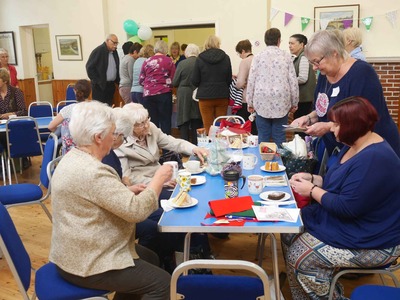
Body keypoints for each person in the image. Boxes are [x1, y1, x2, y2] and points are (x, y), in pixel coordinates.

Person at [49, 101, 172, 299]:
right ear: (99, 137)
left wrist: (129, 190)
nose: (117, 138)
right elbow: (137, 212)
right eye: (113, 133)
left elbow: (98, 197)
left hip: (75, 251)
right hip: (86, 263)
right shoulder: (94, 171)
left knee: (150, 257)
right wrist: (159, 178)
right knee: (163, 283)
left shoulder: (72, 158)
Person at [284, 96, 400, 300]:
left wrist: (311, 190)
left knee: (301, 256)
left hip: (375, 238)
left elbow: (347, 206)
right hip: (355, 223)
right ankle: (306, 290)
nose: (332, 129)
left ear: (352, 126)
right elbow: (339, 182)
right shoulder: (355, 144)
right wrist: (313, 178)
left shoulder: (376, 158)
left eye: (337, 124)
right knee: (288, 231)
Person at [291, 30, 400, 158]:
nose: (314, 68)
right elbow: (322, 108)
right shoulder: (324, 75)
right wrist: (308, 118)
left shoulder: (362, 73)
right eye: (311, 63)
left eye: (317, 62)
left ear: (334, 53)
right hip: (340, 149)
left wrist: (327, 127)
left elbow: (362, 120)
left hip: (369, 153)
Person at [115, 103, 207, 189]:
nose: (146, 125)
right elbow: (127, 178)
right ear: (130, 126)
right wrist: (159, 182)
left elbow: (173, 143)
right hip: (145, 186)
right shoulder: (120, 144)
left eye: (147, 120)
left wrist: (195, 149)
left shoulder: (151, 127)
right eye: (141, 124)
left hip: (163, 176)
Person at [246, 28, 299, 146]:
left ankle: (263, 162)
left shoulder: (258, 57)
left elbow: (251, 81)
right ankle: (279, 163)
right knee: (280, 137)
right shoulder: (286, 57)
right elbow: (293, 81)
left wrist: (250, 102)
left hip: (261, 101)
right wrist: (294, 102)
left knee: (263, 137)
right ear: (279, 40)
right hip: (281, 101)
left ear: (265, 40)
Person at [191, 35, 232, 135]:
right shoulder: (226, 57)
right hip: (222, 95)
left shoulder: (200, 58)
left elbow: (195, 80)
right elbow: (229, 79)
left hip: (205, 97)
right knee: (221, 126)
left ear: (206, 44)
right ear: (218, 44)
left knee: (208, 126)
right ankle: (221, 148)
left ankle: (210, 148)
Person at [139, 40, 175, 135]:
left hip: (148, 95)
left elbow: (141, 80)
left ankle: (153, 146)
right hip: (164, 94)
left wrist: (150, 85)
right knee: (165, 121)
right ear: (165, 49)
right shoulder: (169, 61)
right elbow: (173, 79)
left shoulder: (147, 61)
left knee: (151, 122)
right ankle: (167, 148)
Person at [48, 79, 91, 155]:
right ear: (89, 92)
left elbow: (51, 126)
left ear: (75, 91)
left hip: (69, 153)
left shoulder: (68, 110)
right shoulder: (96, 109)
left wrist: (62, 130)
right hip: (90, 151)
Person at [172, 43, 203, 145]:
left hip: (184, 93)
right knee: (196, 120)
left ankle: (185, 147)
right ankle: (196, 145)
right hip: (197, 93)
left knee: (184, 120)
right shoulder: (201, 62)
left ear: (186, 53)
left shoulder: (182, 63)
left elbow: (175, 82)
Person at [86, 34, 120, 106]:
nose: (115, 45)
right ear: (107, 41)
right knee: (98, 109)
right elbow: (89, 67)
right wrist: (98, 81)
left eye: (117, 43)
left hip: (110, 85)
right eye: (114, 43)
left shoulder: (114, 52)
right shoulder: (98, 50)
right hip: (99, 86)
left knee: (109, 108)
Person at [288, 34, 316, 120]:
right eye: (289, 43)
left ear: (302, 44)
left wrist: (287, 81)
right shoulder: (298, 57)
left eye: (292, 43)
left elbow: (303, 78)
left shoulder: (303, 57)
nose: (289, 46)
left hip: (304, 99)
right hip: (302, 99)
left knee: (301, 127)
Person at [233, 39, 257, 135]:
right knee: (256, 127)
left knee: (245, 127)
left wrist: (237, 82)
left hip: (246, 99)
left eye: (239, 54)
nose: (240, 56)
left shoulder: (245, 61)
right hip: (258, 98)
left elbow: (240, 83)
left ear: (243, 51)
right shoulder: (257, 59)